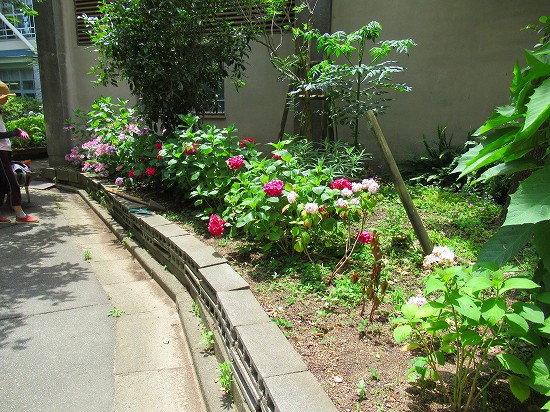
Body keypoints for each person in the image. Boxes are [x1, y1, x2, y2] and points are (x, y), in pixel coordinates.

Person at [0, 80, 39, 223]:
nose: (6, 99)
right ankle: (20, 214)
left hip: (4, 151)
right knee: (12, 183)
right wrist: (14, 132)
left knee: (2, 184)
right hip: (0, 152)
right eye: (4, 97)